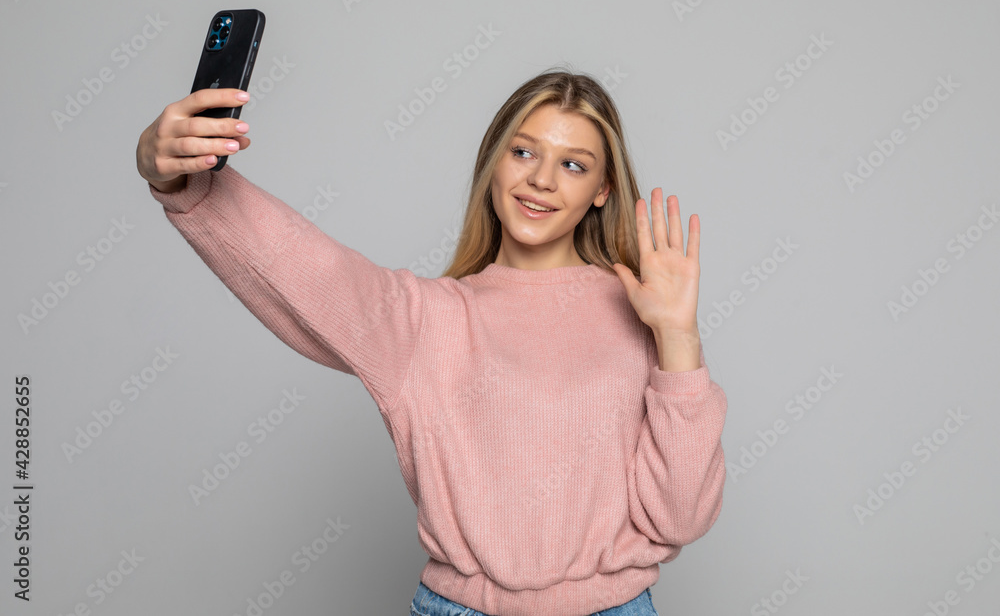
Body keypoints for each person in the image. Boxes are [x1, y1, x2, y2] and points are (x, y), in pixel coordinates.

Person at [136, 68, 727, 616]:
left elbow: (680, 518)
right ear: (494, 162)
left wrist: (678, 337)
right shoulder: (424, 321)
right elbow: (302, 264)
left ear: (602, 189)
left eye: (573, 164)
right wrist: (181, 179)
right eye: (523, 152)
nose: (542, 179)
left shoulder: (641, 315)